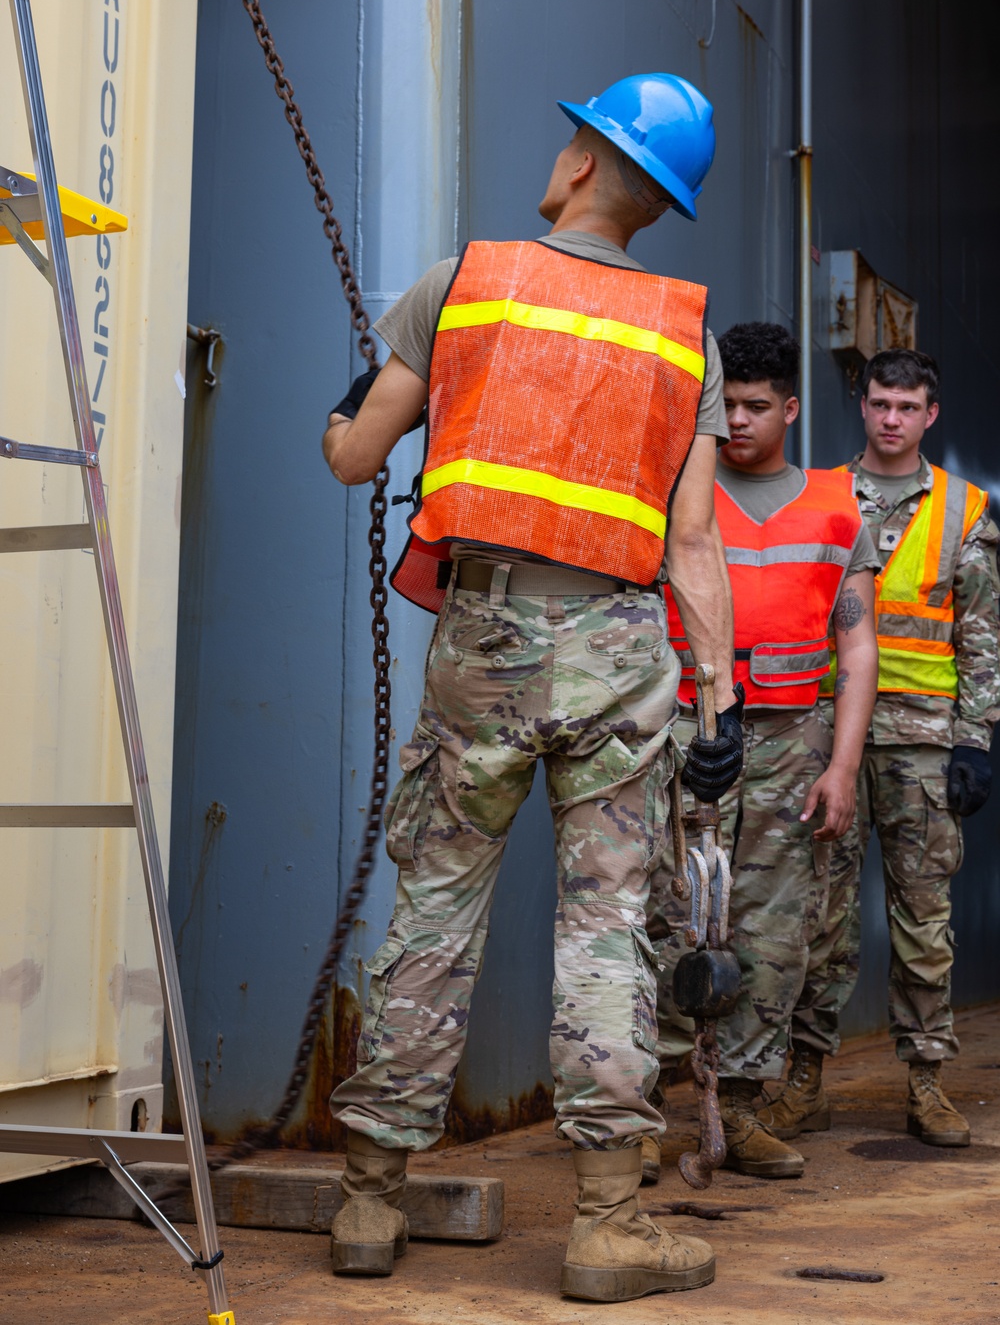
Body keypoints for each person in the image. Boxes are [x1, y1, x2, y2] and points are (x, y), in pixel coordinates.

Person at [320, 74, 744, 1303]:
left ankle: (366, 1202)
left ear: (575, 169)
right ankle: (608, 1223)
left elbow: (356, 455)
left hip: (485, 644)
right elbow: (695, 545)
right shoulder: (685, 331)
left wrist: (357, 405)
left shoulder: (464, 283)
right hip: (619, 653)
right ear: (657, 205)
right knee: (608, 926)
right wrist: (714, 705)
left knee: (434, 914)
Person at [647, 322, 879, 1180]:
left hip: (790, 741)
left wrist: (844, 767)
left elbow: (857, 650)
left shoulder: (835, 505)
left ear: (789, 406)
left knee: (775, 930)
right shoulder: (679, 493)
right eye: (726, 406)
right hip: (681, 729)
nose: (736, 421)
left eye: (753, 406)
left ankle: (740, 1111)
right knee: (660, 915)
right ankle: (641, 1116)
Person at [761, 348, 1000, 1148]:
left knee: (923, 913)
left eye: (908, 406)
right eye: (880, 403)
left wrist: (976, 740)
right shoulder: (820, 495)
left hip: (926, 745)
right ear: (861, 407)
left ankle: (927, 1080)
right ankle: (804, 1078)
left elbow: (981, 636)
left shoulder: (966, 507)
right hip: (829, 733)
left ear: (931, 415)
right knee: (817, 912)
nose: (892, 418)